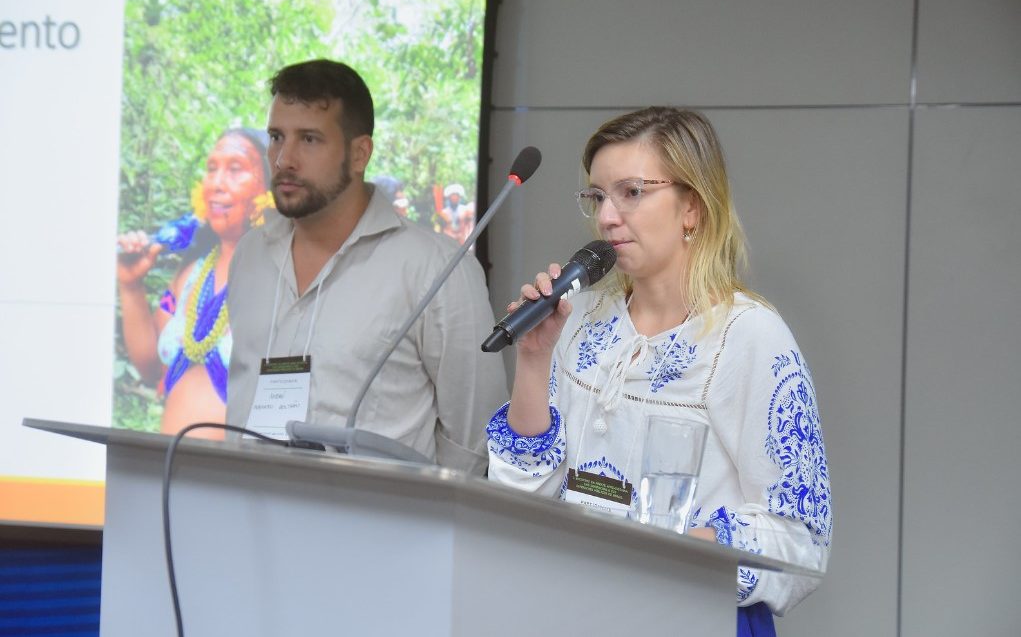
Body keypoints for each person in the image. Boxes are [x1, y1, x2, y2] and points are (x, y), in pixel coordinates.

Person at [485, 107, 832, 634]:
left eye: (631, 192)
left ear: (691, 206)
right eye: (597, 196)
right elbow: (520, 498)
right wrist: (532, 361)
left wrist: (656, 554)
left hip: (689, 616)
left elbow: (801, 538)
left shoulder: (750, 337)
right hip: (571, 611)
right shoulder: (575, 317)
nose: (605, 217)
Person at [225, 59, 507, 474]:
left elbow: (475, 442)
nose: (284, 159)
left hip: (380, 530)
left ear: (359, 154)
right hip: (246, 518)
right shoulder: (250, 255)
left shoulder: (436, 268)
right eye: (275, 137)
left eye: (309, 139)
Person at [116, 128, 274, 438]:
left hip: (241, 477)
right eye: (212, 169)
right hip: (168, 471)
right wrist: (131, 287)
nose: (216, 183)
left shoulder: (283, 279)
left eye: (235, 169)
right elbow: (149, 371)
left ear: (269, 188)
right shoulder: (189, 276)